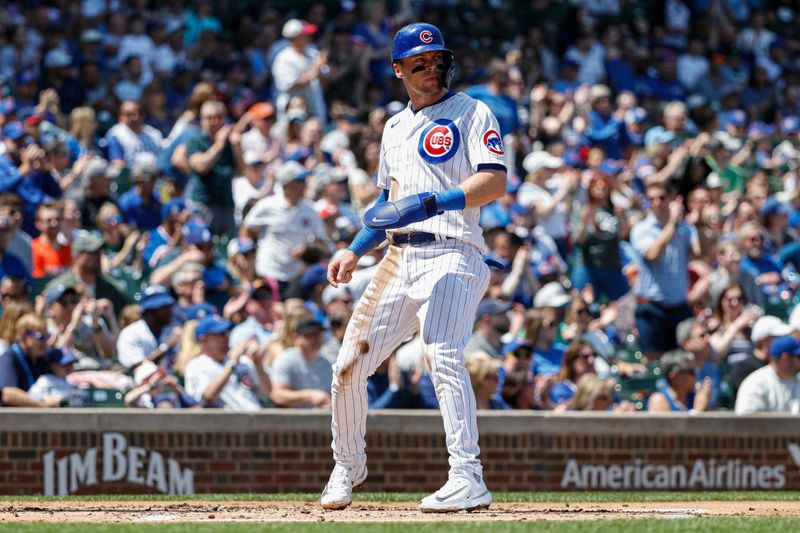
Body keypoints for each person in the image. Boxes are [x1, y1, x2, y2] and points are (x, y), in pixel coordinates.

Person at [320, 23, 506, 512]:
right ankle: (347, 465)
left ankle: (468, 475)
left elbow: (492, 182)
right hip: (397, 257)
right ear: (399, 68)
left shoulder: (471, 111)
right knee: (347, 366)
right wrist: (355, 249)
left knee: (442, 352)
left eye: (437, 60)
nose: (431, 69)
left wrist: (432, 202)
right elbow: (388, 202)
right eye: (418, 62)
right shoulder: (394, 127)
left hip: (454, 250)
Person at [630, 183, 700, 358]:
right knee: (654, 361)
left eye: (661, 198)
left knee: (683, 360)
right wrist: (672, 224)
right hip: (652, 308)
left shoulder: (685, 228)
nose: (657, 203)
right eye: (652, 199)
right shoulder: (641, 229)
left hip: (679, 306)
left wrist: (701, 223)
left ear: (672, 200)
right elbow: (653, 254)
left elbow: (698, 253)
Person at [184, 314, 270, 411]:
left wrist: (258, 363)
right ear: (204, 340)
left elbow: (267, 391)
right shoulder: (196, 365)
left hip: (256, 418)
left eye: (226, 333)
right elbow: (208, 396)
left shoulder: (243, 361)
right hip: (226, 422)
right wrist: (232, 364)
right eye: (220, 334)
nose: (226, 337)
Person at [0, 313, 61, 407]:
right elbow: (8, 394)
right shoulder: (10, 357)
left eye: (47, 336)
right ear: (23, 336)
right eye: (40, 337)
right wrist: (42, 405)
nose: (45, 342)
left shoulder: (40, 359)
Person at [270, 317, 332, 408]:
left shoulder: (326, 363)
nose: (316, 338)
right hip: (293, 420)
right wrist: (309, 396)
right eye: (311, 335)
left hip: (322, 419)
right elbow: (277, 395)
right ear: (296, 337)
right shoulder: (286, 359)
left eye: (319, 334)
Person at [735, 335, 800, 414]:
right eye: (798, 357)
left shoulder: (797, 379)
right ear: (785, 358)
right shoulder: (756, 383)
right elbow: (747, 420)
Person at [647, 349, 712, 412]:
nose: (695, 376)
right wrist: (698, 411)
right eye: (691, 372)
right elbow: (666, 423)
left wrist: (704, 405)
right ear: (674, 376)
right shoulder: (658, 400)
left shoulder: (694, 397)